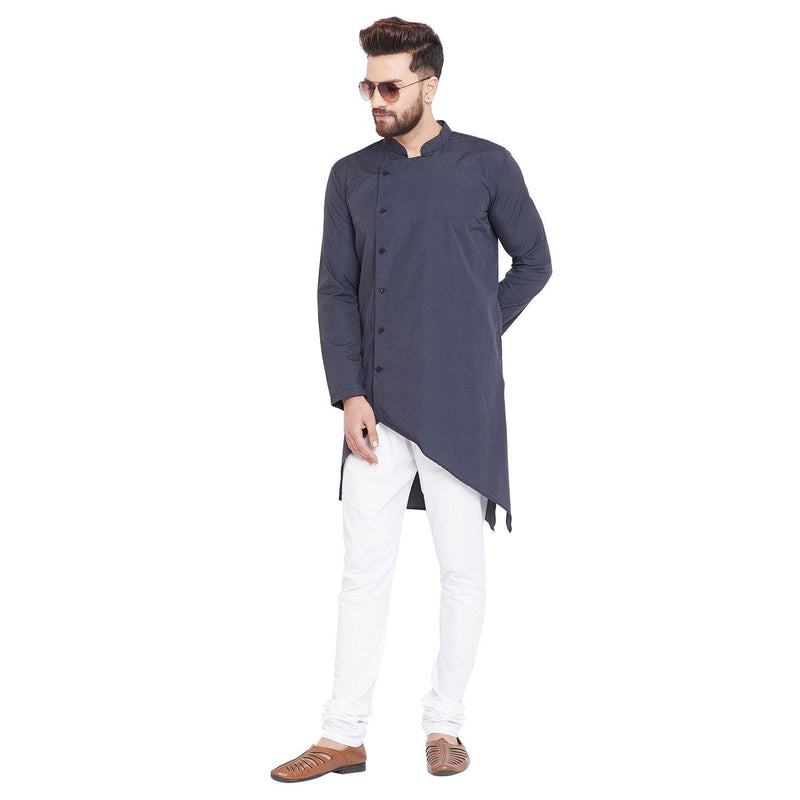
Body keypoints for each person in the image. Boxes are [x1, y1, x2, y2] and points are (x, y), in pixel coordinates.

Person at [271, 15, 551, 782]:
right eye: (367, 86)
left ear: (430, 83)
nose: (376, 100)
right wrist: (349, 392)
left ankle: (444, 726)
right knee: (363, 571)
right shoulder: (351, 175)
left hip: (460, 398)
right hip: (377, 403)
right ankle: (342, 735)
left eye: (390, 87)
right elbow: (334, 289)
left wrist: (474, 331)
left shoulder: (487, 164)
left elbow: (534, 261)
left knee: (462, 569)